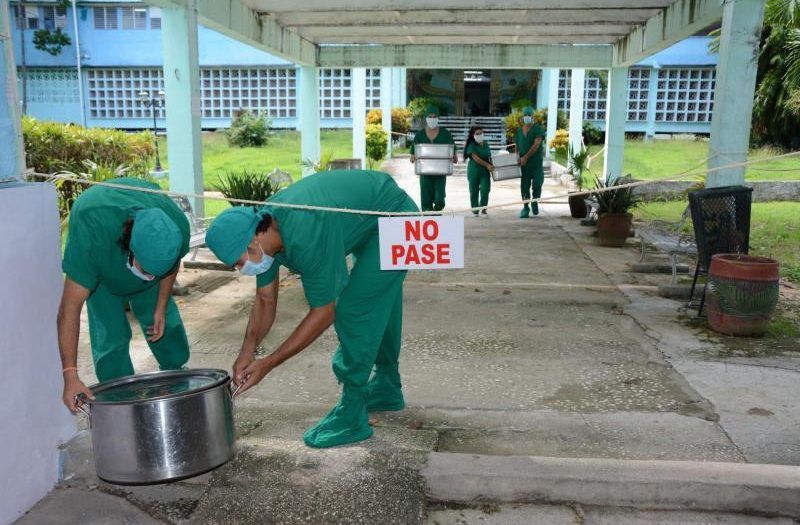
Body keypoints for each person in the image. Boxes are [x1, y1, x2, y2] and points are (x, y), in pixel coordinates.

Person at [204, 170, 419, 449]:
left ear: (252, 243)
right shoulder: (267, 230)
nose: (240, 268)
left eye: (237, 262)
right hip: (370, 215)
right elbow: (265, 299)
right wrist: (247, 350)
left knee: (355, 308)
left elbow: (325, 311)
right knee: (377, 301)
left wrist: (268, 363)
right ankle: (387, 386)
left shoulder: (305, 234)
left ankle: (352, 413)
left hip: (397, 217)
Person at [58, 177, 191, 411]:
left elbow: (171, 263)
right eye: (145, 270)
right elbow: (69, 308)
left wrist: (160, 305)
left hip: (147, 254)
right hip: (103, 262)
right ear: (130, 246)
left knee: (163, 324)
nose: (149, 277)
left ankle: (177, 376)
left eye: (154, 273)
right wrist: (70, 376)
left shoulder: (176, 226)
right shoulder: (91, 234)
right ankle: (119, 397)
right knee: (111, 335)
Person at [409, 105, 457, 212]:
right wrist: (413, 157)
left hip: (440, 173)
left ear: (438, 118)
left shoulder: (445, 134)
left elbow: (453, 151)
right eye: (430, 116)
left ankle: (436, 215)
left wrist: (454, 157)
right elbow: (413, 153)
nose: (432, 119)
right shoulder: (420, 135)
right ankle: (428, 219)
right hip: (425, 175)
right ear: (426, 117)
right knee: (426, 201)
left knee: (440, 200)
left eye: (434, 116)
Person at [515, 106, 547, 218]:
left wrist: (526, 156)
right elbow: (517, 146)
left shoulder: (538, 129)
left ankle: (535, 200)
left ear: (532, 117)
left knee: (538, 183)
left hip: (536, 163)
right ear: (522, 117)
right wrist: (517, 159)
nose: (527, 117)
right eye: (525, 115)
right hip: (524, 165)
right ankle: (525, 207)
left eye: (529, 115)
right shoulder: (519, 131)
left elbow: (537, 144)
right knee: (524, 186)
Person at [464, 126, 493, 216]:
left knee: (485, 189)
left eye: (481, 133)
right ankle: (475, 209)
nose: (479, 135)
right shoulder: (471, 145)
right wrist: (487, 165)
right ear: (473, 135)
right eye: (477, 134)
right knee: (474, 191)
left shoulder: (486, 144)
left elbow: (489, 155)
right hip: (474, 171)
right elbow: (475, 158)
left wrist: (492, 164)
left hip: (484, 172)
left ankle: (483, 208)